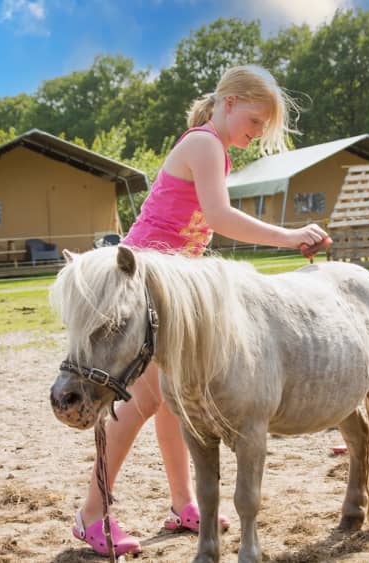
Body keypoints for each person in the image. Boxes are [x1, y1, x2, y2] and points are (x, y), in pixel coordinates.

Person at [70, 64, 329, 557]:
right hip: (144, 286)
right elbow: (219, 218)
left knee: (175, 401)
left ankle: (183, 502)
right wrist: (290, 235)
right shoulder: (205, 143)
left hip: (172, 291)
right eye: (255, 122)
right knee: (142, 403)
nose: (255, 135)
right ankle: (91, 515)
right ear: (228, 103)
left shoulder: (216, 149)